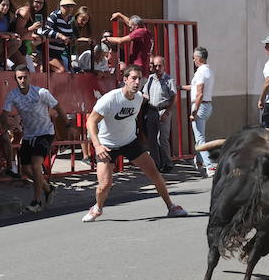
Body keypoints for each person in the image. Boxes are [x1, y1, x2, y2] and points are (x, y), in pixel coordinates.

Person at [82, 65, 187, 222]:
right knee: (104, 185)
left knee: (154, 173)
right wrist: (97, 145)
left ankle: (171, 207)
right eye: (133, 78)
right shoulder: (111, 99)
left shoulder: (139, 98)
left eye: (139, 79)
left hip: (129, 142)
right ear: (125, 80)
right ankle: (97, 208)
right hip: (107, 145)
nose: (137, 82)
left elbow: (132, 120)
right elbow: (90, 121)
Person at [3, 67, 61, 212]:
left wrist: (66, 124)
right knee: (25, 170)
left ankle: (36, 201)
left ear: (30, 77)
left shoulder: (41, 92)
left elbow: (58, 106)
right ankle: (48, 189)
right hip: (29, 134)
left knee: (36, 166)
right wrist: (9, 123)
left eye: (24, 77)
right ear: (15, 79)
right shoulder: (13, 94)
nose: (22, 80)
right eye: (19, 78)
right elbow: (5, 113)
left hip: (45, 132)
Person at [141, 55, 177, 172]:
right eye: (154, 66)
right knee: (152, 139)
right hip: (152, 110)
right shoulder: (151, 79)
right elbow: (145, 94)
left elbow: (174, 97)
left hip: (163, 110)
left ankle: (168, 163)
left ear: (164, 66)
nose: (157, 68)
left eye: (159, 66)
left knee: (162, 138)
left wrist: (167, 113)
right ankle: (156, 164)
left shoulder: (169, 80)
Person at [184, 45, 215, 177]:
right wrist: (180, 87)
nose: (193, 60)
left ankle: (210, 166)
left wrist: (194, 111)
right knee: (198, 135)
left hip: (200, 106)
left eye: (194, 58)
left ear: (199, 58)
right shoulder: (209, 71)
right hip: (207, 105)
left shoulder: (201, 72)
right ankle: (199, 162)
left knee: (200, 138)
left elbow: (200, 93)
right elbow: (195, 87)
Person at [42, 0, 79, 72]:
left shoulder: (70, 20)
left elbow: (70, 34)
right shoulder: (54, 16)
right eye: (67, 6)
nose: (69, 9)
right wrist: (60, 36)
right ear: (61, 6)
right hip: (48, 52)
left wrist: (72, 39)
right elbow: (45, 31)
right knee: (61, 70)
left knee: (70, 71)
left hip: (59, 53)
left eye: (71, 6)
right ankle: (44, 65)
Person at [0, 0, 23, 68]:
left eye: (8, 5)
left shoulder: (6, 19)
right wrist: (8, 34)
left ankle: (0, 61)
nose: (6, 7)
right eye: (3, 5)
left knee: (18, 42)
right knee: (14, 42)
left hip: (2, 42)